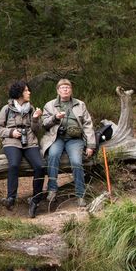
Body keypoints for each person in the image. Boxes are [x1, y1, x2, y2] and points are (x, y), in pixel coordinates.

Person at [40, 79, 96, 208]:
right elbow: (44, 124)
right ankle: (52, 190)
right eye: (62, 88)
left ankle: (80, 195)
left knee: (76, 161)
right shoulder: (50, 105)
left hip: (75, 140)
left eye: (68, 87)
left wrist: (90, 145)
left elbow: (88, 125)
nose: (65, 90)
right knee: (53, 156)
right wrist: (55, 118)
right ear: (58, 90)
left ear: (71, 90)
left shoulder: (80, 104)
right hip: (56, 138)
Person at [0, 81, 45, 218]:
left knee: (40, 166)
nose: (29, 93)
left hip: (30, 142)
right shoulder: (6, 109)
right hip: (12, 142)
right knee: (14, 164)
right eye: (26, 90)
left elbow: (36, 130)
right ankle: (11, 198)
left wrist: (35, 119)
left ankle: (35, 200)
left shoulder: (31, 108)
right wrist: (11, 133)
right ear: (19, 93)